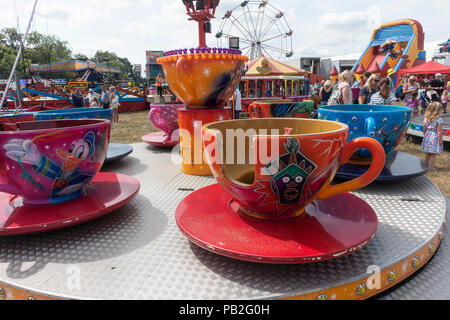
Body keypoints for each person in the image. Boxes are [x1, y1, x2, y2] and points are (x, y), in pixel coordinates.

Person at [421, 102, 444, 170]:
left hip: (427, 135)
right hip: (435, 137)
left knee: (428, 152)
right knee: (433, 154)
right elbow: (439, 131)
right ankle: (430, 167)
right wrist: (440, 140)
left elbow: (424, 128)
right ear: (438, 111)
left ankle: (425, 165)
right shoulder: (439, 120)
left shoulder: (426, 118)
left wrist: (425, 135)